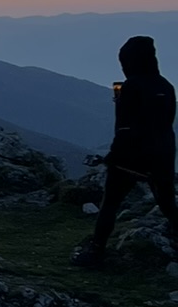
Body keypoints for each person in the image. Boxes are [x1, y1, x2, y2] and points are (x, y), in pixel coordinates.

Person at [72, 35, 177, 269]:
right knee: (168, 204)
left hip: (131, 159)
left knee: (110, 203)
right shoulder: (166, 86)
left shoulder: (131, 87)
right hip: (163, 154)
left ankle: (96, 251)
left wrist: (112, 157)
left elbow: (125, 129)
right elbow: (166, 122)